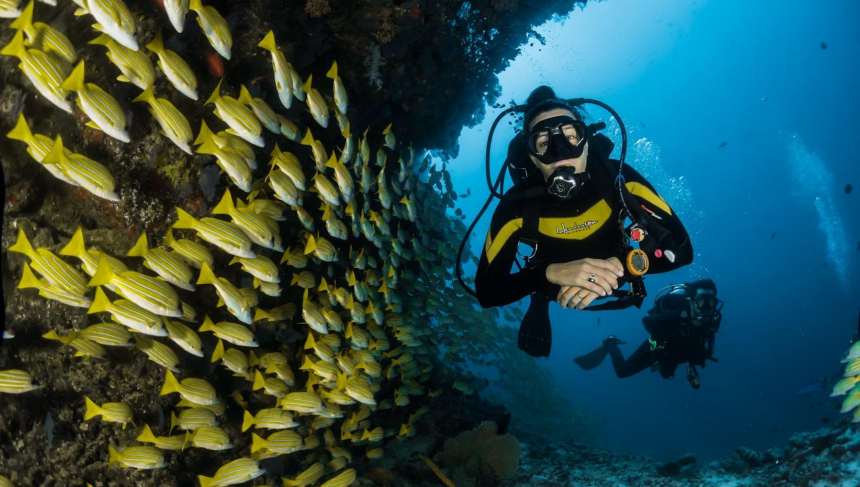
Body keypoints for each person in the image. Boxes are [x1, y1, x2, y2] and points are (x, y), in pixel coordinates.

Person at [473, 86, 694, 356]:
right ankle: (539, 297)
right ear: (532, 156)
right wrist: (548, 274)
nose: (559, 151)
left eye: (570, 136)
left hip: (620, 268)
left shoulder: (620, 179)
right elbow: (487, 292)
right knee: (540, 289)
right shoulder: (516, 205)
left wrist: (623, 266)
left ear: (587, 141)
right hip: (551, 287)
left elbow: (682, 249)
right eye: (543, 143)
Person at [574, 279, 723, 389]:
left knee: (666, 375)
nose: (707, 307)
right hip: (657, 348)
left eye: (711, 302)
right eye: (702, 301)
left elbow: (706, 345)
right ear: (691, 301)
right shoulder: (675, 314)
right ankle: (611, 342)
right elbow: (647, 321)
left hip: (679, 352)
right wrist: (673, 326)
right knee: (622, 372)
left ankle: (664, 364)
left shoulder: (711, 321)